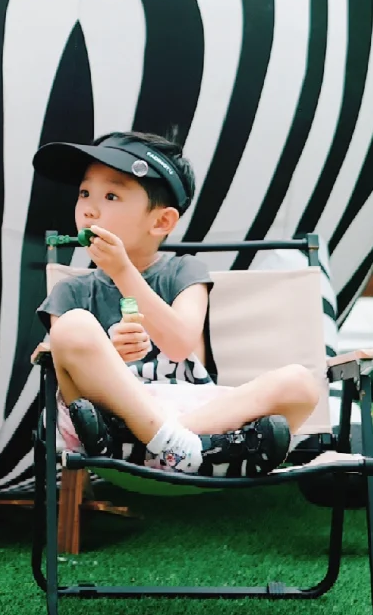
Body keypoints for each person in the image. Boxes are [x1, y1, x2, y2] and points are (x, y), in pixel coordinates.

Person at [34, 131, 323, 477]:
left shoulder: (185, 272)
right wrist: (107, 352)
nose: (89, 208)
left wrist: (123, 271)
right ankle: (178, 445)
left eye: (111, 195)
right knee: (73, 328)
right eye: (84, 193)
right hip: (108, 426)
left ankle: (168, 442)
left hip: (192, 413)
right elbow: (61, 363)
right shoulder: (71, 292)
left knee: (300, 383)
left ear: (161, 222)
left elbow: (179, 343)